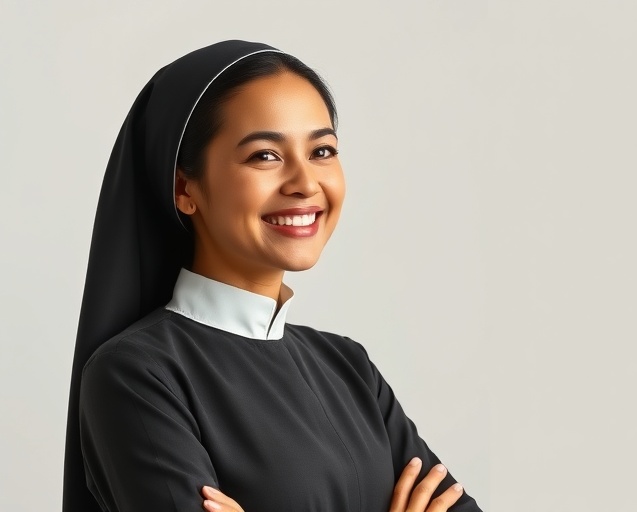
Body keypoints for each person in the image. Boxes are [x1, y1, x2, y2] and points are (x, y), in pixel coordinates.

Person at [61, 40, 482, 512]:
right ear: (184, 187)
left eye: (322, 150)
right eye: (265, 155)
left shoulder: (348, 367)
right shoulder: (138, 375)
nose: (305, 182)